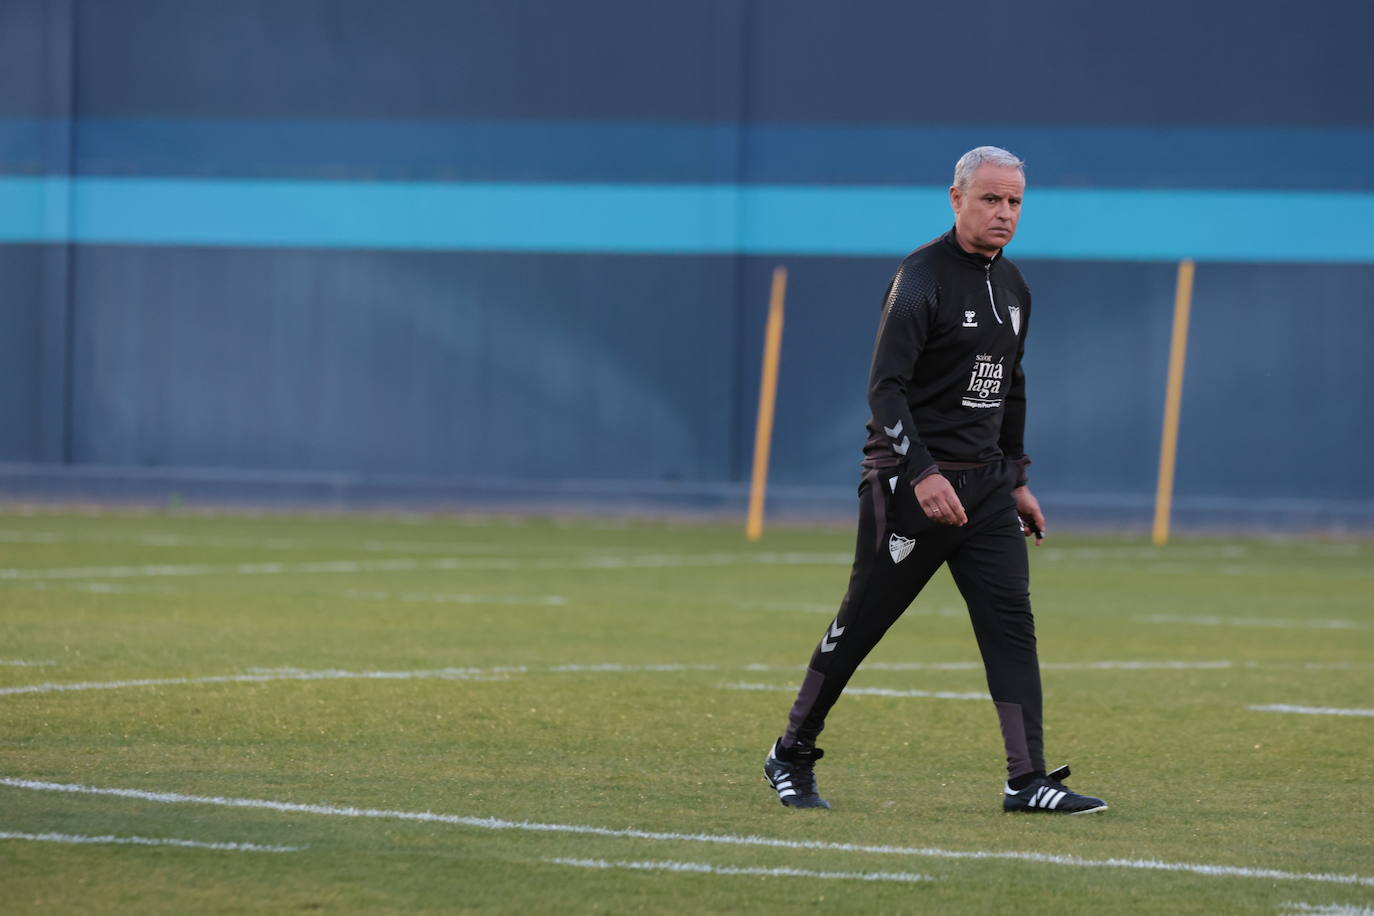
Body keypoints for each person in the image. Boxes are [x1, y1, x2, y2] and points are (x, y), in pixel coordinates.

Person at [763, 146, 1107, 814]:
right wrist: (919, 472)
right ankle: (790, 752)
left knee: (1012, 623)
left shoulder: (1015, 289)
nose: (1004, 213)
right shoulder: (921, 278)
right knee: (863, 621)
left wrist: (1016, 480)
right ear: (956, 199)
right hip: (908, 485)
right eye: (990, 199)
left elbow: (1011, 389)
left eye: (1014, 202)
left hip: (985, 491)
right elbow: (884, 389)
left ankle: (1026, 778)